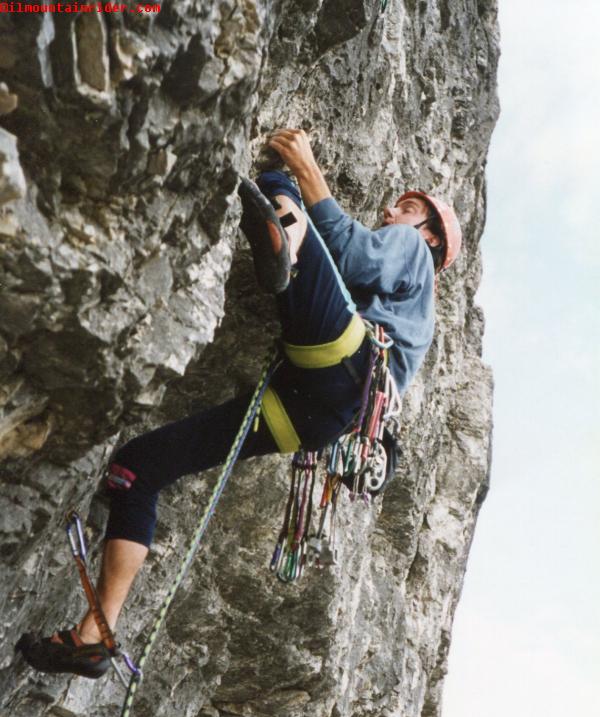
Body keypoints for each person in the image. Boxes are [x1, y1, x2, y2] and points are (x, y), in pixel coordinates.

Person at [16, 128, 461, 679]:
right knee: (139, 467)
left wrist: (304, 165)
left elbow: (356, 256)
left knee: (275, 180)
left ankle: (287, 238)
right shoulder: (409, 306)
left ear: (432, 237)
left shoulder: (412, 247)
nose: (394, 208)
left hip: (344, 358)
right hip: (310, 417)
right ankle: (95, 632)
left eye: (410, 207)